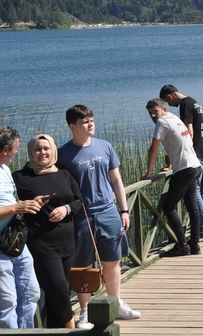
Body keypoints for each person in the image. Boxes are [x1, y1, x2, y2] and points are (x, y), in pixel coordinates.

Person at [57, 105, 140, 328]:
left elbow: (116, 180)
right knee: (83, 264)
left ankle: (116, 303)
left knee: (112, 260)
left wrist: (124, 209)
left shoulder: (105, 146)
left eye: (91, 120)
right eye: (85, 122)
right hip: (81, 215)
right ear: (72, 127)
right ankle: (85, 310)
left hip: (108, 212)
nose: (90, 124)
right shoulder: (62, 154)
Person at [13, 134, 83, 328]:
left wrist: (66, 209)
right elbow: (10, 205)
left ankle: (53, 330)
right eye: (37, 149)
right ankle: (71, 329)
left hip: (67, 242)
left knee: (58, 293)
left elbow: (79, 201)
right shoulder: (20, 178)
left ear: (53, 150)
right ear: (30, 152)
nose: (42, 152)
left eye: (46, 148)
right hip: (40, 243)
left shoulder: (64, 174)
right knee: (58, 289)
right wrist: (28, 204)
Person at [0, 126, 41, 329]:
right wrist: (15, 207)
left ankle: (27, 333)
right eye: (16, 147)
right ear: (4, 150)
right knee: (6, 301)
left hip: (15, 242)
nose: (18, 150)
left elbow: (9, 202)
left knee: (31, 292)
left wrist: (28, 204)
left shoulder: (4, 169)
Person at [142, 99, 202, 257]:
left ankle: (182, 244)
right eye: (150, 113)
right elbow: (176, 143)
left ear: (164, 109)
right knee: (192, 206)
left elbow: (153, 149)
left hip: (185, 169)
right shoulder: (175, 118)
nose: (153, 115)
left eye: (155, 111)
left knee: (169, 208)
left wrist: (148, 174)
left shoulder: (161, 122)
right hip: (195, 165)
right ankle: (194, 244)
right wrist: (169, 166)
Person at [159, 85, 203, 242]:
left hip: (195, 152)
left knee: (195, 191)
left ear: (169, 97)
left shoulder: (185, 105)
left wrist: (184, 151)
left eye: (166, 101)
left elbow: (189, 131)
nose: (169, 106)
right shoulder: (195, 102)